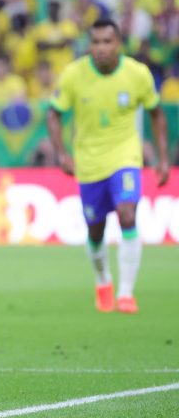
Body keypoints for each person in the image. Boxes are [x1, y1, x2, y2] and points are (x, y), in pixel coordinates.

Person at [47, 19, 169, 314]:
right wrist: (62, 153)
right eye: (96, 42)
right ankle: (103, 281)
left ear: (118, 44)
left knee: (128, 215)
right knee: (95, 231)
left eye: (107, 42)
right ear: (89, 45)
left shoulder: (137, 74)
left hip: (125, 156)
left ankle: (126, 293)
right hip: (88, 162)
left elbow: (156, 114)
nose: (101, 48)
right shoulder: (74, 75)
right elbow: (54, 114)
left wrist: (163, 158)